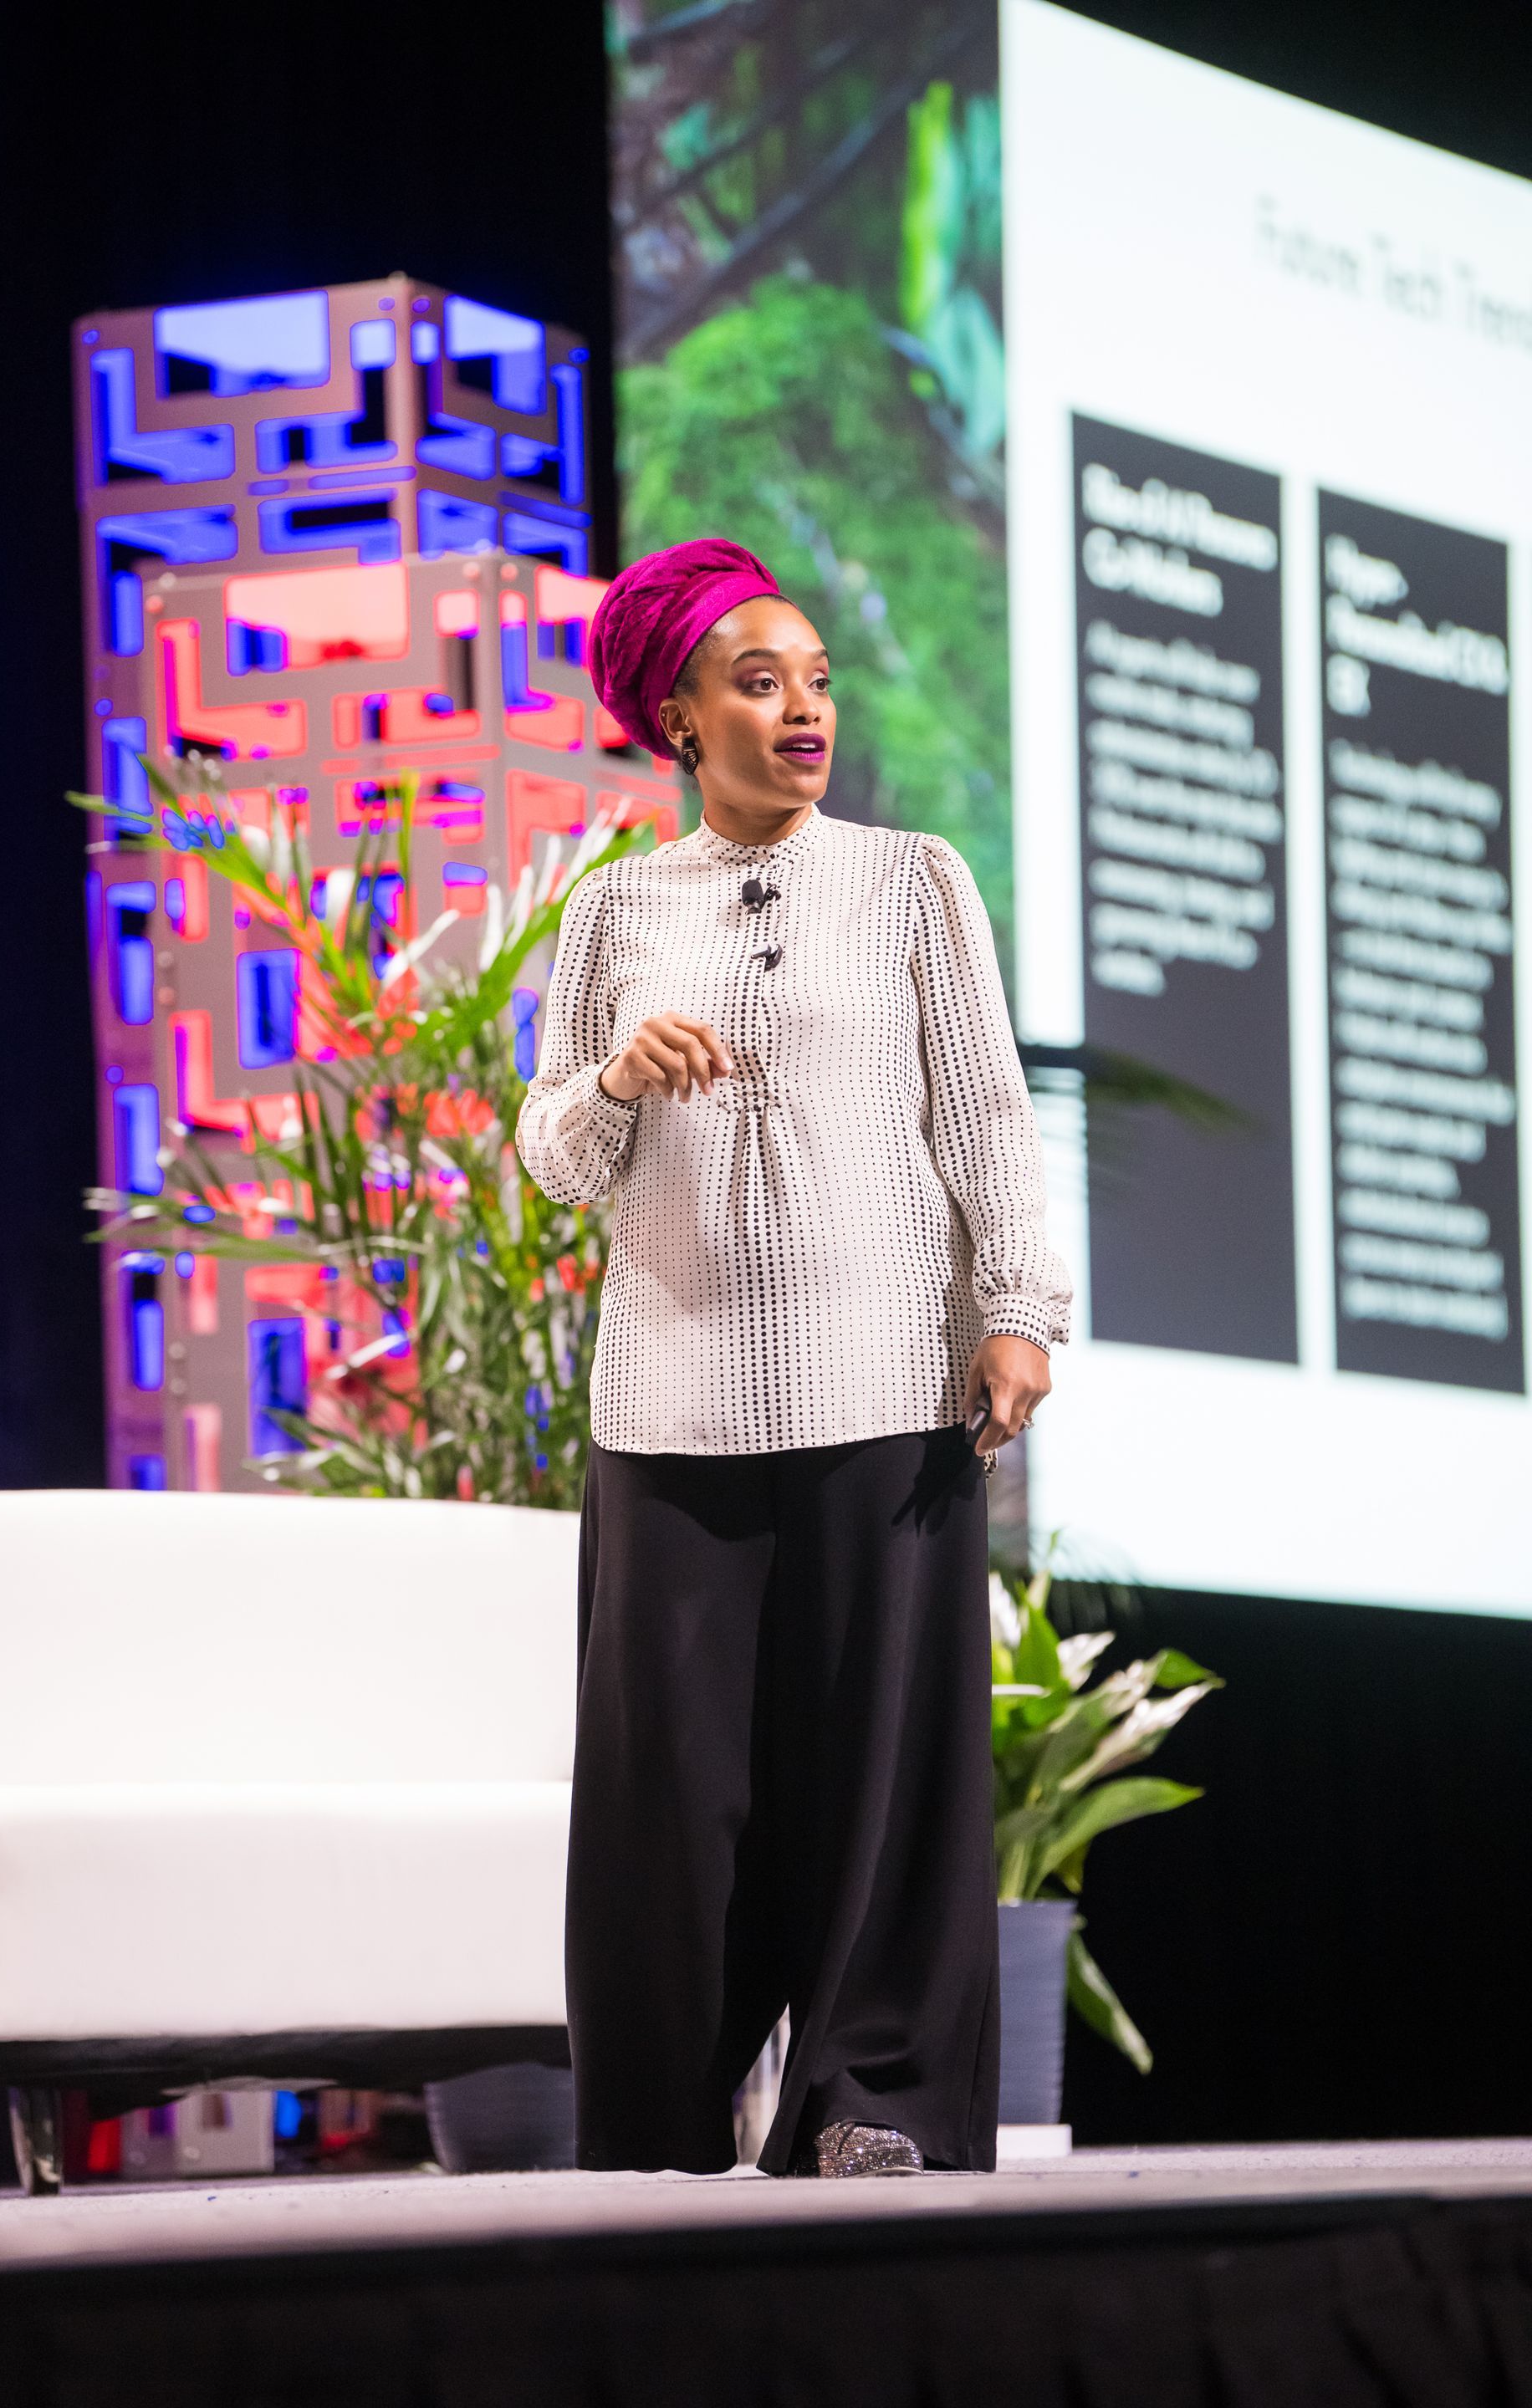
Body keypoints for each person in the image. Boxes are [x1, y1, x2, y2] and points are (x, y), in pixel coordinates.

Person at [517, 538, 1070, 2178]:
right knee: (668, 1810)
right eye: (759, 683)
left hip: (887, 1392)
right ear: (678, 718)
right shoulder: (611, 908)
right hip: (673, 1411)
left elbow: (984, 1113)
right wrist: (615, 1079)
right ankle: (656, 2131)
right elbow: (550, 1157)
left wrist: (1019, 1307)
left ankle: (865, 2109)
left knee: (882, 1789)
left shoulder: (914, 880)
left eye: (817, 679)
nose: (803, 709)